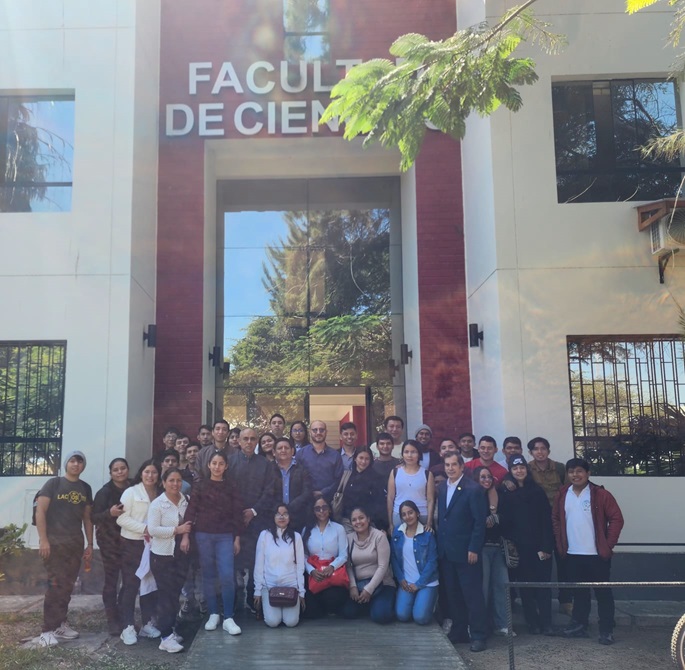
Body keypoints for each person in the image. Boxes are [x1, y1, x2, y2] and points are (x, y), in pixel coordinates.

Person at [553, 458, 624, 645]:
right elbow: (556, 519)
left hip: (596, 555)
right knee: (580, 593)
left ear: (588, 473)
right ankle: (579, 625)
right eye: (571, 472)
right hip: (572, 554)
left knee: (603, 593)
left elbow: (617, 518)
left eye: (579, 471)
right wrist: (561, 545)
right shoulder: (562, 494)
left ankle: (606, 629)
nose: (575, 475)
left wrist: (608, 545)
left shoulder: (600, 494)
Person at [35, 451, 94, 647]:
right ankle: (47, 630)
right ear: (66, 463)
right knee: (55, 585)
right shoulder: (54, 483)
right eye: (72, 460)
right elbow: (40, 511)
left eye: (80, 461)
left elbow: (87, 518)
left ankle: (60, 624)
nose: (76, 464)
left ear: (83, 466)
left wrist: (90, 544)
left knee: (68, 585)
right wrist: (43, 540)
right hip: (54, 543)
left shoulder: (85, 487)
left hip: (74, 544)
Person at [184, 451, 243, 635]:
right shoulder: (200, 486)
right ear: (209, 465)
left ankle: (228, 617)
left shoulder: (232, 486)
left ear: (226, 467)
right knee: (208, 576)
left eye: (221, 464)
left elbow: (237, 514)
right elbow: (191, 511)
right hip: (203, 536)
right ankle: (213, 614)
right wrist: (185, 535)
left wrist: (237, 538)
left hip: (225, 536)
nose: (217, 467)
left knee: (226, 576)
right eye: (214, 463)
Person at [436, 452, 488, 652]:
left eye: (453, 465)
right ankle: (459, 631)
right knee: (453, 594)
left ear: (462, 466)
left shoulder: (473, 489)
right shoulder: (441, 488)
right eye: (447, 465)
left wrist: (474, 548)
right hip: (447, 552)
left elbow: (478, 523)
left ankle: (478, 635)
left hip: (467, 552)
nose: (450, 468)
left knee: (472, 595)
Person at [498, 455, 554, 635]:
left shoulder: (537, 492)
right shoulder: (506, 493)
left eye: (522, 467)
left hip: (539, 547)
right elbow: (505, 521)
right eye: (515, 469)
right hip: (520, 548)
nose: (519, 471)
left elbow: (546, 520)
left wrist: (546, 546)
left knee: (543, 587)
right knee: (526, 588)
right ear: (510, 471)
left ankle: (547, 623)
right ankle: (533, 623)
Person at [230, 427, 277, 611]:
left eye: (252, 439)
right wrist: (238, 513)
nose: (249, 442)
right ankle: (232, 604)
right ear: (239, 441)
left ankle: (253, 600)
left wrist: (253, 511)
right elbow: (227, 491)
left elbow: (270, 490)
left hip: (259, 521)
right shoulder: (230, 462)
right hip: (234, 521)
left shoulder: (265, 464)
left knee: (257, 562)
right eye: (245, 439)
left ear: (257, 442)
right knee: (233, 561)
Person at [117, 459, 162, 646]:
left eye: (154, 472)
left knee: (149, 585)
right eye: (146, 472)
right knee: (131, 585)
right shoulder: (131, 492)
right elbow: (121, 519)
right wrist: (144, 529)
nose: (150, 476)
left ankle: (147, 624)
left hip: (153, 546)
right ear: (141, 473)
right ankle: (127, 627)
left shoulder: (160, 493)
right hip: (132, 544)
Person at [147, 468, 192, 653]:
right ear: (164, 483)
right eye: (171, 480)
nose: (175, 484)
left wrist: (185, 534)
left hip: (181, 554)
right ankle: (165, 637)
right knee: (166, 595)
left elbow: (190, 524)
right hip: (162, 556)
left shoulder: (185, 501)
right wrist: (176, 530)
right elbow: (152, 530)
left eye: (178, 480)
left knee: (174, 595)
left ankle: (170, 629)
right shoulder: (158, 504)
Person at [527, 436, 572, 615]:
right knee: (541, 564)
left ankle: (566, 600)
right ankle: (540, 601)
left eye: (543, 448)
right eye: (536, 449)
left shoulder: (560, 468)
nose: (540, 452)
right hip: (538, 523)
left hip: (559, 521)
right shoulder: (527, 469)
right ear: (530, 452)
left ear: (548, 450)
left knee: (564, 562)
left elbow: (569, 492)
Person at [92, 457, 131, 635]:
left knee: (129, 580)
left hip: (129, 540)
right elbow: (93, 517)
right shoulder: (104, 492)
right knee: (111, 581)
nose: (120, 472)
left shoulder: (133, 489)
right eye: (116, 470)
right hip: (109, 541)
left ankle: (124, 616)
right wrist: (110, 513)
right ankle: (112, 619)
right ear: (111, 473)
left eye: (123, 468)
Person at [471, 466, 511, 636]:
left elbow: (510, 516)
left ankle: (502, 624)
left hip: (499, 547)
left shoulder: (500, 495)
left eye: (489, 477)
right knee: (483, 589)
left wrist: (498, 517)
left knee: (502, 585)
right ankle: (482, 625)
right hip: (481, 548)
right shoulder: (472, 496)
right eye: (482, 477)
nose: (486, 480)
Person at [253, 504, 306, 628]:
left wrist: (301, 592)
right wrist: (258, 590)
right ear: (273, 516)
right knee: (273, 622)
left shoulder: (296, 537)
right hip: (270, 586)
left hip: (290, 586)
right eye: (278, 514)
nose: (281, 517)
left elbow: (300, 566)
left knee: (291, 622)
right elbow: (259, 564)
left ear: (290, 517)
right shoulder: (264, 535)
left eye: (285, 514)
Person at [342, 506, 396, 623]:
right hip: (360, 584)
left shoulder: (379, 536)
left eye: (361, 518)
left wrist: (369, 590)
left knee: (381, 617)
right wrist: (353, 586)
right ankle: (370, 603)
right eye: (354, 520)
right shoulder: (349, 539)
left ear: (368, 519)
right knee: (348, 613)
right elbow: (348, 566)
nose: (358, 522)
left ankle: (379, 603)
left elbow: (383, 566)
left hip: (382, 584)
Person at [390, 500, 439, 625]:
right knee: (402, 615)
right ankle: (416, 602)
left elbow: (432, 562)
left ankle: (428, 601)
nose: (408, 517)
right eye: (404, 514)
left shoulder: (427, 534)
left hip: (426, 581)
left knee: (420, 618)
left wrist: (419, 584)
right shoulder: (397, 532)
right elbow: (394, 558)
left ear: (417, 513)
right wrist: (401, 579)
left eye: (410, 512)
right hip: (406, 581)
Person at [301, 496, 348, 618]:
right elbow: (303, 556)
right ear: (313, 511)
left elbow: (343, 554)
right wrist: (311, 571)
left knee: (333, 598)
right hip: (314, 574)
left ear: (330, 509)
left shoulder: (339, 529)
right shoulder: (307, 530)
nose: (321, 511)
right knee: (311, 611)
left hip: (333, 573)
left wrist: (332, 566)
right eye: (317, 508)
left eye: (324, 507)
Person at [387, 440, 435, 533]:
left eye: (413, 452)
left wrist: (429, 523)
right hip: (399, 515)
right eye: (406, 452)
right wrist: (390, 523)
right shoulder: (395, 472)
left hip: (421, 515)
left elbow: (430, 500)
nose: (409, 455)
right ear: (402, 454)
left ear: (419, 454)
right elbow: (390, 498)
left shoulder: (427, 474)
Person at [340, 447, 386, 532]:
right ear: (355, 459)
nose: (363, 462)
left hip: (368, 523)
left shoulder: (376, 478)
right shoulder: (347, 476)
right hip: (348, 522)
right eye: (361, 458)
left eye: (367, 459)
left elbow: (380, 503)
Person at [296, 420, 343, 503]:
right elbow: (297, 478)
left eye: (321, 430)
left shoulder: (335, 455)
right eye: (315, 430)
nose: (318, 432)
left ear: (326, 432)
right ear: (310, 432)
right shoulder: (301, 454)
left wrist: (323, 492)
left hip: (329, 500)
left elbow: (339, 480)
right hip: (305, 501)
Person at [272, 437, 312, 531]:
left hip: (298, 516)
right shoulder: (268, 469)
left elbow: (307, 492)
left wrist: (289, 508)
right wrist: (280, 509)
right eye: (280, 448)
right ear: (274, 452)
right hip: (274, 516)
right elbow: (266, 492)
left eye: (286, 448)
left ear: (293, 451)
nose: (283, 450)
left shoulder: (302, 469)